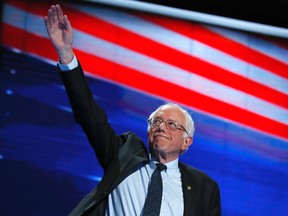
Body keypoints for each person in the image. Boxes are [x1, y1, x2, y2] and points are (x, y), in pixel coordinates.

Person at [44, 4, 221, 216]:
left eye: (171, 124)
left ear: (187, 141)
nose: (161, 127)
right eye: (156, 121)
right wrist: (66, 55)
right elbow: (89, 115)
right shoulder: (123, 154)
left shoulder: (204, 187)